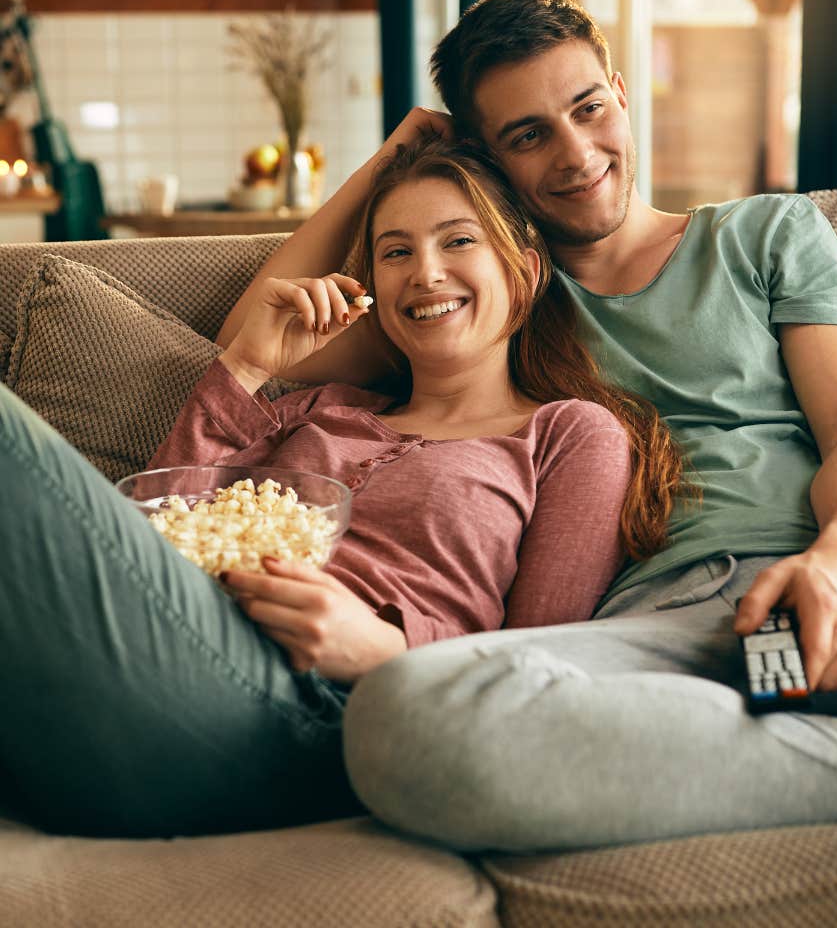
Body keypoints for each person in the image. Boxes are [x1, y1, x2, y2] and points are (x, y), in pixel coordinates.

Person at [218, 0, 837, 852]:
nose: (576, 152)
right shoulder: (492, 294)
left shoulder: (766, 233)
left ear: (620, 95)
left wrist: (835, 563)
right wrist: (398, 162)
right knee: (404, 713)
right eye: (527, 135)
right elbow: (263, 339)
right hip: (642, 636)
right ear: (488, 160)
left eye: (588, 109)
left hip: (806, 575)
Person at [0, 136, 686, 839]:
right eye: (395, 252)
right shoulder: (324, 406)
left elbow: (543, 667)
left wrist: (386, 654)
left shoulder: (570, 436)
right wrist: (248, 362)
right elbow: (162, 513)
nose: (424, 273)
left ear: (527, 272)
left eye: (457, 242)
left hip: (316, 713)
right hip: (166, 648)